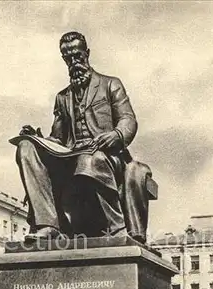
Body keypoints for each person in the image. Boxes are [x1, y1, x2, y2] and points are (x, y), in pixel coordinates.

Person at [15, 31, 151, 242]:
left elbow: (128, 120)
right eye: (68, 58)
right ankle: (48, 225)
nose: (74, 62)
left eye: (78, 56)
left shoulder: (110, 84)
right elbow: (58, 139)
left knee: (88, 160)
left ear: (87, 53)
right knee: (25, 147)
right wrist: (37, 138)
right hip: (70, 157)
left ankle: (117, 229)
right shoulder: (62, 97)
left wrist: (116, 134)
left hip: (106, 156)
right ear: (63, 59)